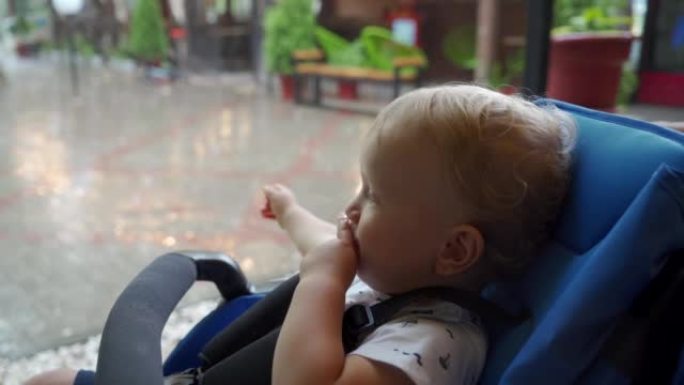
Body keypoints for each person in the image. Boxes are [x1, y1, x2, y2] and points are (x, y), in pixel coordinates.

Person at [25, 85, 576, 385]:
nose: (353, 209)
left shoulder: (433, 343)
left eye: (375, 197)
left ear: (454, 249)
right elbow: (325, 246)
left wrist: (320, 281)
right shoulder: (390, 275)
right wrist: (289, 211)